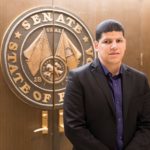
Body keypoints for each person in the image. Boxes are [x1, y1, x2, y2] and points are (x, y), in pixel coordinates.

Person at [63, 19, 150, 150]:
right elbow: (73, 128)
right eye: (107, 41)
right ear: (96, 45)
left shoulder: (140, 80)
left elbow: (147, 125)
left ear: (125, 43)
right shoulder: (78, 78)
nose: (114, 46)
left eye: (119, 41)